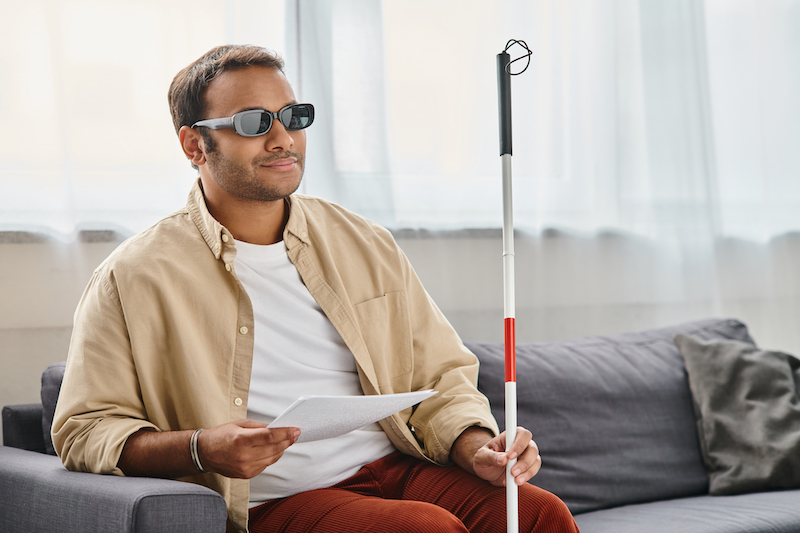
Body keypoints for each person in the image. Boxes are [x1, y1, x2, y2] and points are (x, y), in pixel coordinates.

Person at [52, 44, 579, 533]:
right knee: (426, 529)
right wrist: (200, 449)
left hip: (395, 465)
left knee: (538, 514)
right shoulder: (133, 275)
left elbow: (440, 372)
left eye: (293, 117)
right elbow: (84, 429)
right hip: (276, 502)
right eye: (255, 122)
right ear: (195, 143)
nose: (282, 138)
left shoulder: (363, 242)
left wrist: (477, 444)